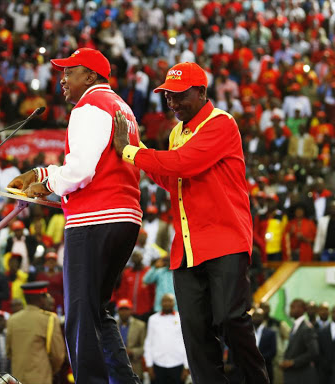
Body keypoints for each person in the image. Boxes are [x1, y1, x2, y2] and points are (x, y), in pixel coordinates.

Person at [113, 61, 269, 383]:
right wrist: (139, 149)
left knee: (229, 318)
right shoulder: (175, 134)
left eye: (180, 96)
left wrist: (130, 152)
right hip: (186, 247)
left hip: (224, 238)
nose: (172, 102)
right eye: (168, 96)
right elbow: (175, 180)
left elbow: (185, 163)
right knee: (196, 334)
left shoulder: (220, 123)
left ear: (201, 92)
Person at [7, 48, 143, 384]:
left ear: (91, 76)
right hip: (124, 215)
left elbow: (82, 170)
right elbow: (95, 163)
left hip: (94, 217)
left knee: (80, 316)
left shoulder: (89, 106)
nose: (62, 80)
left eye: (70, 72)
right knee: (97, 311)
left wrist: (48, 183)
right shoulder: (119, 106)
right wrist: (41, 173)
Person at [6, 281, 65, 384]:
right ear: (41, 298)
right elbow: (58, 356)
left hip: (18, 378)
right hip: (41, 378)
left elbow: (9, 352)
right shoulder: (49, 319)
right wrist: (48, 370)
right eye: (46, 296)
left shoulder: (12, 320)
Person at [143, 293, 189, 384]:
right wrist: (149, 365)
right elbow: (148, 342)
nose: (167, 303)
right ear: (161, 303)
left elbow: (187, 343)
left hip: (178, 363)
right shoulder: (153, 319)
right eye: (165, 301)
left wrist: (187, 367)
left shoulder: (181, 318)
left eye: (170, 301)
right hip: (157, 364)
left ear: (174, 303)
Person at [279, 299, 319, 384]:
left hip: (301, 375)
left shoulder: (307, 328)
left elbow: (314, 352)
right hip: (293, 374)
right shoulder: (296, 325)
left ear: (302, 309)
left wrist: (293, 362)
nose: (291, 309)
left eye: (293, 307)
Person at [116, 298, 146, 380]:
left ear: (131, 310)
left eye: (126, 309)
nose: (124, 312)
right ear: (117, 311)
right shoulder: (112, 325)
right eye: (121, 309)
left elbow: (144, 347)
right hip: (116, 366)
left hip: (134, 365)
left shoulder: (140, 325)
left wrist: (132, 352)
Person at [252, 307, 277, 383]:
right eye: (255, 315)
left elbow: (273, 352)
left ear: (263, 318)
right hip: (250, 370)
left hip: (266, 370)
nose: (256, 318)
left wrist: (258, 359)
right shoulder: (247, 333)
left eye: (259, 315)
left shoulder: (270, 333)